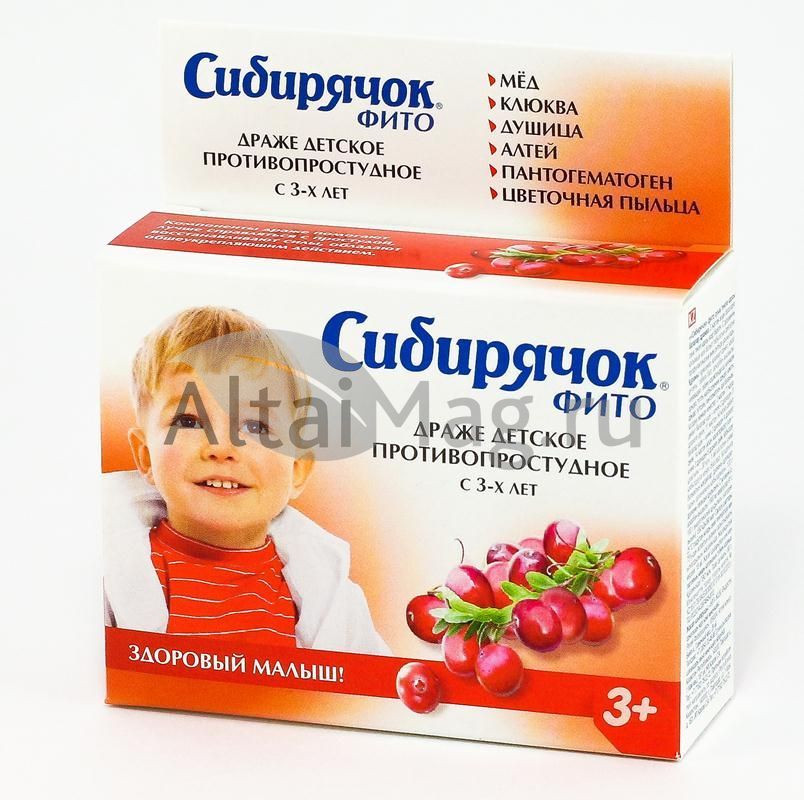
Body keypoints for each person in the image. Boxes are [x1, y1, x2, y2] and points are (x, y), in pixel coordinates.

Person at [102, 306, 389, 655]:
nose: (222, 448)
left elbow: (375, 682)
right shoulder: (106, 573)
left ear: (297, 468)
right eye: (190, 421)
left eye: (256, 426)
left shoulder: (334, 601)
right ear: (146, 456)